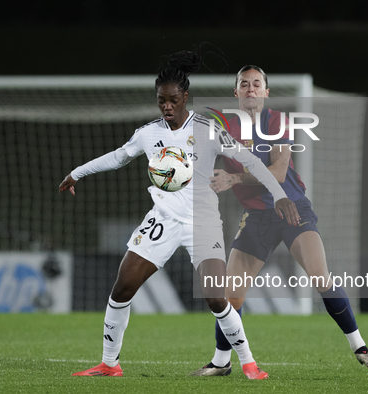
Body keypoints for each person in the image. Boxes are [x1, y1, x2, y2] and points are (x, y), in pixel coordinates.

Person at [58, 49, 299, 379]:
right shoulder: (149, 133)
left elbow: (252, 162)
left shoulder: (208, 129)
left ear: (185, 96)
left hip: (202, 224)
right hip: (163, 220)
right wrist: (76, 173)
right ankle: (109, 364)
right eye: (161, 101)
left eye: (173, 100)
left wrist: (281, 195)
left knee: (216, 297)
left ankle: (248, 363)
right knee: (122, 289)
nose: (167, 107)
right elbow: (117, 157)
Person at [191, 65, 368, 376]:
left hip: (292, 210)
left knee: (320, 277)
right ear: (236, 92)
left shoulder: (277, 121)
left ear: (266, 92)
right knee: (231, 294)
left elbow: (277, 174)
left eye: (257, 84)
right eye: (244, 84)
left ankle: (359, 346)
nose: (251, 89)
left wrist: (233, 177)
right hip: (256, 218)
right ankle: (221, 362)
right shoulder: (221, 126)